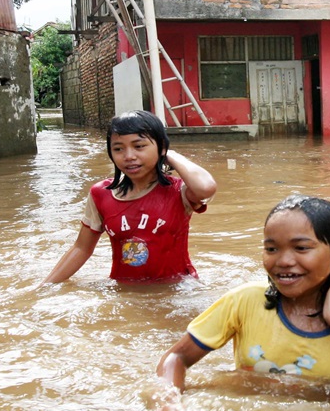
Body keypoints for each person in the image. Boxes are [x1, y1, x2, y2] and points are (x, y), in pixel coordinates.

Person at [155, 196, 330, 411]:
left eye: (301, 248)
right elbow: (175, 359)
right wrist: (170, 404)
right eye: (271, 248)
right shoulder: (244, 301)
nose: (283, 261)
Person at [42, 110, 217, 284]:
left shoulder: (179, 190)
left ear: (161, 146)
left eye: (139, 146)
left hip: (176, 291)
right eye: (118, 149)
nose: (129, 156)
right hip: (124, 291)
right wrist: (43, 288)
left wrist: (169, 155)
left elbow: (206, 187)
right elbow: (81, 248)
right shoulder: (101, 194)